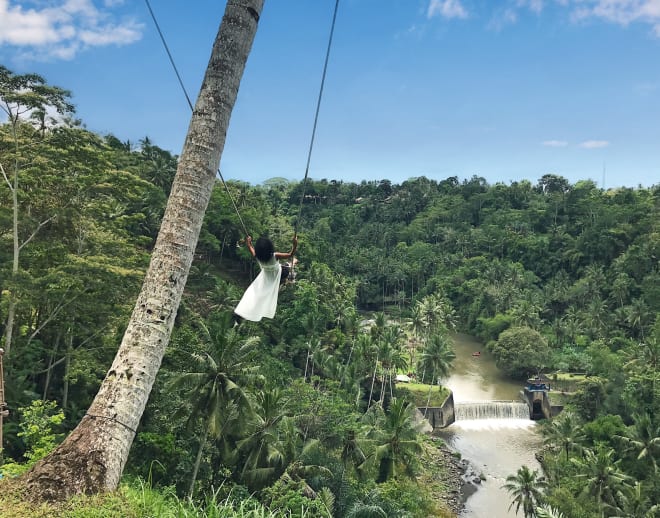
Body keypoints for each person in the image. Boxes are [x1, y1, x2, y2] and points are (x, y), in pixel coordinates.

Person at [234, 234, 298, 322]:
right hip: (279, 274)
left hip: (267, 277)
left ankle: (291, 267)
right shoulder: (275, 255)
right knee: (288, 269)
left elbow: (251, 248)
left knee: (256, 294)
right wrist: (295, 245)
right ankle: (292, 266)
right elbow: (290, 254)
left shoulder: (257, 256)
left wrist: (248, 243)